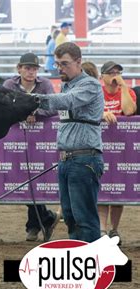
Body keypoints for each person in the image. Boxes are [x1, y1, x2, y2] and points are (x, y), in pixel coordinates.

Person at [34, 42, 105, 243]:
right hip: (67, 160)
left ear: (78, 62)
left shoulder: (89, 84)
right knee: (70, 216)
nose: (60, 68)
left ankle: (91, 263)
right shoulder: (67, 85)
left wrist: (31, 100)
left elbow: (67, 101)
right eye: (57, 64)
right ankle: (78, 259)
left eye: (64, 64)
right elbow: (59, 103)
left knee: (85, 217)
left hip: (84, 159)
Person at [3, 52, 60, 242]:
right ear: (19, 68)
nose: (31, 72)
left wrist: (36, 110)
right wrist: (23, 112)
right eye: (27, 68)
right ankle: (46, 218)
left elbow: (53, 106)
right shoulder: (9, 85)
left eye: (34, 68)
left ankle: (35, 225)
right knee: (22, 179)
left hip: (41, 139)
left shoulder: (45, 84)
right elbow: (3, 106)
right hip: (15, 140)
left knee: (37, 178)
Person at [98, 61, 137, 245]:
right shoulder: (97, 92)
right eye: (111, 72)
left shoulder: (126, 91)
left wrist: (122, 87)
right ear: (102, 76)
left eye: (118, 72)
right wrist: (102, 112)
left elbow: (129, 110)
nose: (114, 75)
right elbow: (91, 111)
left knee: (119, 190)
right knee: (102, 190)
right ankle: (102, 230)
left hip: (122, 148)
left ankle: (114, 229)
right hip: (100, 146)